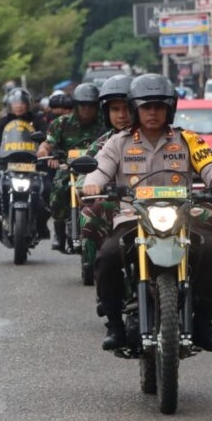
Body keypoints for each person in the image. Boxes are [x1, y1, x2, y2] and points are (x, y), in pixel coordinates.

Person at [82, 73, 212, 352]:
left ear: (170, 108)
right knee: (106, 257)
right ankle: (115, 325)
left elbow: (210, 166)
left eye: (158, 106)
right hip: (133, 218)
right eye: (145, 106)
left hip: (181, 218)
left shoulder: (187, 139)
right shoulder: (118, 142)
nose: (152, 112)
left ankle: (204, 322)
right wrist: (92, 181)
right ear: (135, 108)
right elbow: (101, 167)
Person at [36, 83, 106, 251]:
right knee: (58, 188)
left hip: (99, 168)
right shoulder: (61, 123)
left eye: (91, 106)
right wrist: (43, 151)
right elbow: (47, 144)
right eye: (83, 105)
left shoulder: (104, 122)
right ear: (76, 106)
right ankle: (59, 231)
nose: (87, 110)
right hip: (68, 167)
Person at [77, 75, 133, 279]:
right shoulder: (102, 144)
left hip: (161, 205)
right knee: (90, 215)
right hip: (119, 205)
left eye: (127, 108)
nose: (122, 115)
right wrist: (88, 187)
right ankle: (100, 274)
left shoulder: (162, 136)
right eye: (115, 109)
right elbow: (87, 173)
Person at [0, 87, 49, 240]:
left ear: (27, 104)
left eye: (22, 103)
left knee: (47, 188)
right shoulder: (3, 120)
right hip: (8, 165)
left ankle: (42, 223)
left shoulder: (37, 119)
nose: (18, 106)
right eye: (15, 103)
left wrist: (45, 149)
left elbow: (47, 138)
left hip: (33, 165)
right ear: (10, 105)